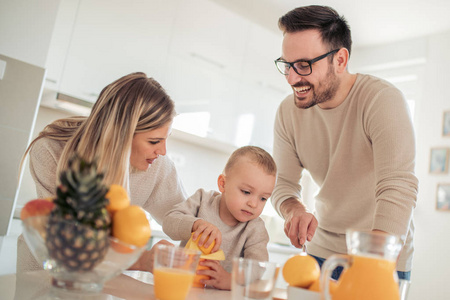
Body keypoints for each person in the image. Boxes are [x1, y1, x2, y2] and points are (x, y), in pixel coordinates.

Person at [271, 5, 418, 280]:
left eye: (304, 65)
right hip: (321, 249)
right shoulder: (287, 112)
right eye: (287, 65)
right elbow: (283, 184)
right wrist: (294, 210)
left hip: (382, 254)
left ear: (339, 60)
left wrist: (372, 264)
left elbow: (398, 187)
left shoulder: (382, 100)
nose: (292, 78)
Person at [17, 72, 187, 273]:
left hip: (101, 281)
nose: (162, 151)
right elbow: (65, 242)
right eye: (153, 141)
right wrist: (140, 260)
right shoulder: (51, 151)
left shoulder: (158, 166)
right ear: (121, 134)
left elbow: (180, 217)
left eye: (165, 139)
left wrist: (201, 227)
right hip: (43, 276)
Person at [162, 146, 277, 290]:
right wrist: (195, 224)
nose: (253, 204)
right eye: (246, 192)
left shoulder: (255, 228)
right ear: (223, 184)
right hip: (182, 289)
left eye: (263, 198)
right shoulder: (202, 200)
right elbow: (169, 222)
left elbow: (257, 266)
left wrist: (231, 280)